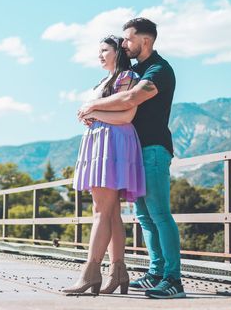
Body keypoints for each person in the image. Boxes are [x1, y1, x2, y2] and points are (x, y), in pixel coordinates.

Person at [77, 18, 184, 299]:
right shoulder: (136, 69)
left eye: (128, 39)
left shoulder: (159, 71)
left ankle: (173, 279)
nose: (124, 44)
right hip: (133, 152)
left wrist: (91, 106)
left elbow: (130, 100)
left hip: (154, 149)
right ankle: (156, 273)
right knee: (144, 217)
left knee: (159, 214)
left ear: (144, 40)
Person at [62, 35, 145, 296]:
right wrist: (89, 115)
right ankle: (118, 271)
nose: (99, 55)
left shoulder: (126, 77)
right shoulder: (103, 81)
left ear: (117, 52)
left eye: (104, 50)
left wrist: (93, 113)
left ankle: (91, 272)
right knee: (110, 213)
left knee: (101, 210)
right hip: (102, 141)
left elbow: (127, 114)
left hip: (113, 141)